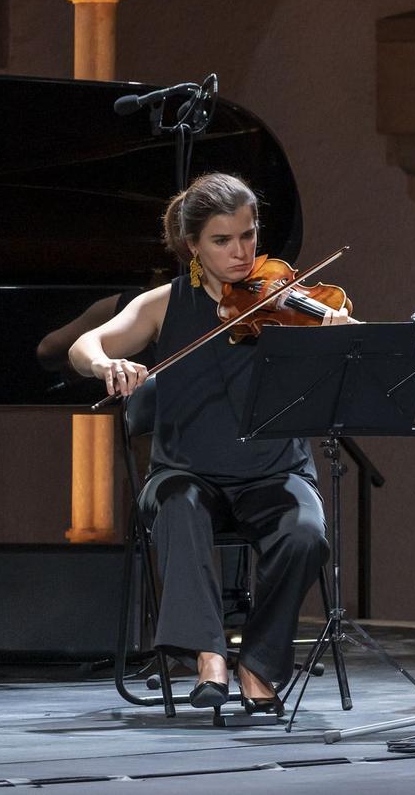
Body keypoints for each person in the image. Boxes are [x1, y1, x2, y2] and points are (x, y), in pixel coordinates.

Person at [68, 173, 339, 713]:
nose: (241, 252)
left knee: (306, 533)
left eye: (249, 235)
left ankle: (258, 661)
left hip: (275, 472)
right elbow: (84, 345)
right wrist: (106, 364)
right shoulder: (165, 304)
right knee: (179, 507)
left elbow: (352, 357)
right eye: (222, 240)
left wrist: (339, 333)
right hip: (186, 472)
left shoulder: (285, 300)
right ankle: (208, 655)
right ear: (193, 245)